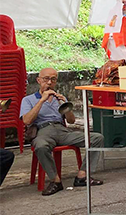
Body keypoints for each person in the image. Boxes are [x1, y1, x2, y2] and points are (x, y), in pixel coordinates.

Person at [20, 68, 104, 196]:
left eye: (53, 80)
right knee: (41, 146)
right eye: (46, 79)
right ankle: (55, 180)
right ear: (38, 80)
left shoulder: (59, 97)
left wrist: (65, 104)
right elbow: (26, 120)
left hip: (62, 130)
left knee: (97, 138)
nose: (49, 83)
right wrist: (41, 100)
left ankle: (82, 176)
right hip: (43, 130)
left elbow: (71, 121)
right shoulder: (28, 100)